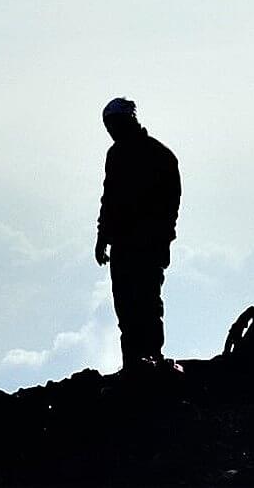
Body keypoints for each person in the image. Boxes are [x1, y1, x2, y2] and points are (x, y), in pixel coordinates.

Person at [95, 97, 181, 371]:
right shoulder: (116, 155)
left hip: (148, 244)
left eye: (115, 124)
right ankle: (133, 364)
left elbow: (171, 204)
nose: (111, 130)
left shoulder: (159, 156)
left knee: (146, 303)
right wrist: (102, 237)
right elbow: (108, 198)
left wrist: (162, 238)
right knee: (125, 306)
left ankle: (151, 360)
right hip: (122, 243)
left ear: (129, 121)